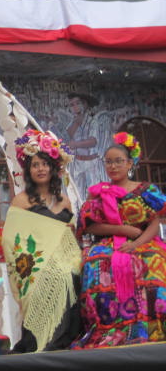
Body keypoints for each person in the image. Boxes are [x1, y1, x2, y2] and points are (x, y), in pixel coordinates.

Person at [72, 132, 166, 348]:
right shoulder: (98, 193)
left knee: (153, 259)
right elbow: (90, 225)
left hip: (144, 241)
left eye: (118, 161)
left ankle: (153, 326)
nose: (113, 166)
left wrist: (136, 242)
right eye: (109, 162)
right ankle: (111, 328)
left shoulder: (146, 190)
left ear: (130, 163)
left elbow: (154, 222)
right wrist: (122, 229)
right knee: (98, 260)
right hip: (109, 242)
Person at [2, 129, 82, 353]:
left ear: (54, 168)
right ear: (28, 169)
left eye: (45, 164)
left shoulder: (65, 201)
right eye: (35, 164)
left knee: (71, 274)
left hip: (66, 263)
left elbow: (70, 237)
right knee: (47, 277)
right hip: (36, 268)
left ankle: (67, 342)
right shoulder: (21, 200)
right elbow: (12, 241)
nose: (41, 169)